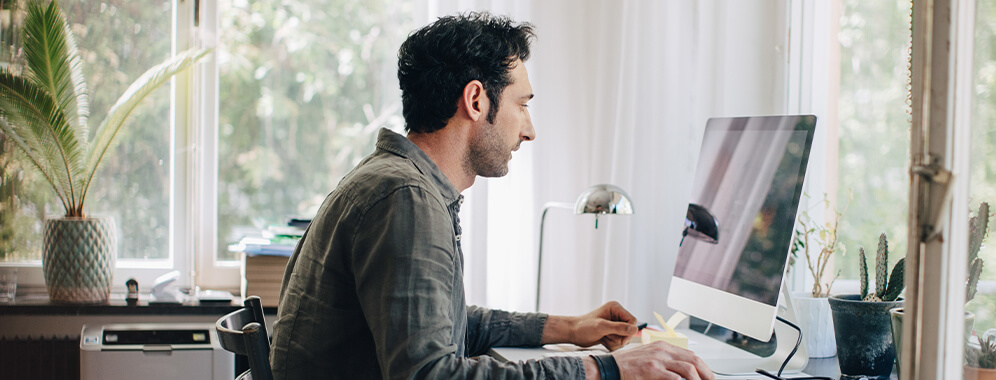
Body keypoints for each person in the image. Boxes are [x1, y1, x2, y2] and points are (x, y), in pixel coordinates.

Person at [269, 11, 715, 380]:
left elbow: (452, 324)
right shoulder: (405, 198)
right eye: (522, 105)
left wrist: (570, 327)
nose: (529, 130)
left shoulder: (396, 182)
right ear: (477, 101)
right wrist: (606, 370)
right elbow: (432, 374)